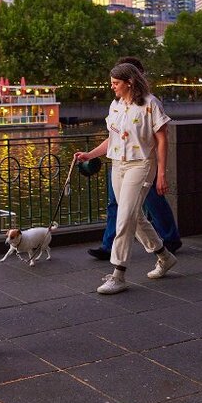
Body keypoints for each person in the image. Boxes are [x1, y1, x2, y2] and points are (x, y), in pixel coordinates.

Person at [74, 62, 177, 295]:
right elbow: (112, 139)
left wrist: (162, 173)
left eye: (116, 83)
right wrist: (89, 154)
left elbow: (162, 140)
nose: (112, 88)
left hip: (141, 165)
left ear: (129, 82)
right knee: (135, 217)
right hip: (118, 165)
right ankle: (164, 256)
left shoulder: (151, 104)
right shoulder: (116, 105)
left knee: (124, 219)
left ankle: (118, 274)